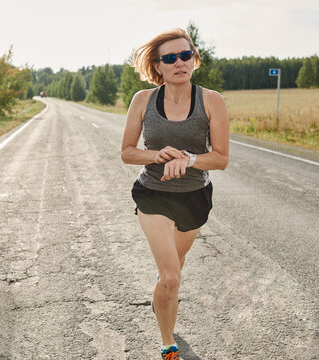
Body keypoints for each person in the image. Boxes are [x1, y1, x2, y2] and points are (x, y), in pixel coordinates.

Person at [120, 28, 229, 359]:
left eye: (185, 55)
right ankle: (168, 346)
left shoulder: (212, 101)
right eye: (170, 58)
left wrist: (190, 159)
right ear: (159, 65)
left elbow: (221, 159)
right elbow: (127, 151)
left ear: (194, 59)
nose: (179, 62)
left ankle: (162, 295)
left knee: (172, 271)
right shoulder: (143, 100)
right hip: (153, 194)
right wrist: (156, 155)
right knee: (171, 276)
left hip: (194, 198)